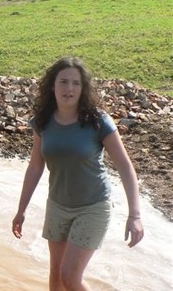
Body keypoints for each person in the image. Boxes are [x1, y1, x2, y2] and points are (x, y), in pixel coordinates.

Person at [11, 56, 144, 290]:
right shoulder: (42, 122)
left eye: (75, 83)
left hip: (93, 206)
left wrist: (134, 215)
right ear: (52, 85)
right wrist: (21, 211)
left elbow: (125, 166)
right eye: (63, 82)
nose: (69, 88)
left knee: (70, 277)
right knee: (55, 277)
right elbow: (35, 167)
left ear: (83, 89)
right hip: (57, 205)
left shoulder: (97, 121)